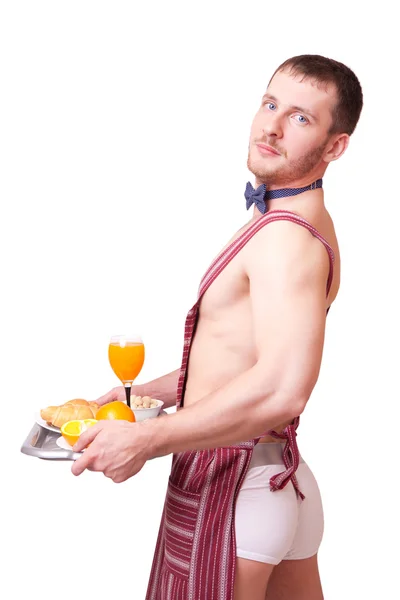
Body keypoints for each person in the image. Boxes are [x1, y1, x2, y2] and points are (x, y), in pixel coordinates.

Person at [71, 54, 363, 600]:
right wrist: (144, 396)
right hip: (278, 481)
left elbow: (282, 387)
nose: (272, 126)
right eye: (270, 103)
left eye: (301, 118)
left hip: (232, 489)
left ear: (334, 146)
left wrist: (146, 440)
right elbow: (248, 357)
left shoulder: (287, 239)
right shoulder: (288, 220)